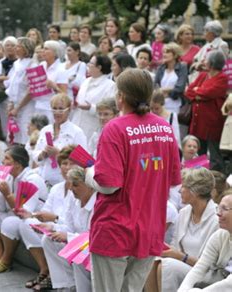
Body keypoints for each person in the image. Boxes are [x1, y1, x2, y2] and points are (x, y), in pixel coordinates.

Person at [86, 68, 182, 291]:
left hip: (115, 228)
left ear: (120, 96)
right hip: (149, 228)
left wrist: (88, 175)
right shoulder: (164, 128)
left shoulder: (114, 128)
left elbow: (109, 185)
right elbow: (174, 178)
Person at [145, 167, 219, 292]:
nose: (179, 191)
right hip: (182, 264)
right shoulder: (184, 213)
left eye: (184, 187)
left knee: (167, 265)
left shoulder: (217, 219)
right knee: (151, 260)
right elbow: (174, 246)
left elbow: (211, 266)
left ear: (195, 192)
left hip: (206, 273)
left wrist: (180, 256)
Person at [0, 145, 48, 274]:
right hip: (13, 216)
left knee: (9, 222)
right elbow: (0, 207)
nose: (3, 162)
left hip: (32, 220)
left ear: (17, 163)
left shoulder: (32, 179)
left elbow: (24, 213)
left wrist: (8, 195)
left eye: (6, 158)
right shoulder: (9, 177)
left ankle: (6, 260)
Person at [17, 145, 76, 291]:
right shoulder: (56, 188)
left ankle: (59, 280)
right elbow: (45, 212)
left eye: (71, 163)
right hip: (55, 228)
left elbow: (74, 224)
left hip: (71, 233)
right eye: (64, 163)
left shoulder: (80, 190)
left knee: (49, 239)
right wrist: (32, 215)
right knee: (26, 223)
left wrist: (55, 219)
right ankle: (49, 273)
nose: (67, 167)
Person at [40, 165, 97, 292]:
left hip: (93, 247)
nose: (71, 188)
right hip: (79, 243)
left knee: (78, 254)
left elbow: (95, 235)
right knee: (47, 240)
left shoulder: (97, 203)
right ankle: (66, 285)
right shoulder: (74, 199)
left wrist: (69, 237)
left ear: (90, 186)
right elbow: (69, 225)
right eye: (71, 184)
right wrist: (52, 227)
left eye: (76, 185)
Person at [178, 193, 232, 291]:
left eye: (224, 209)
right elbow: (199, 268)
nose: (218, 213)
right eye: (218, 208)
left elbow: (229, 284)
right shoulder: (219, 235)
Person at [186, 50, 228, 172]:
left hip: (212, 122)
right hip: (197, 121)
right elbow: (188, 91)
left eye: (206, 59)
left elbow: (209, 93)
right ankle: (198, 176)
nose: (203, 61)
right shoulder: (203, 75)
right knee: (198, 151)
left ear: (211, 63)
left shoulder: (222, 78)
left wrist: (197, 91)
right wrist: (198, 92)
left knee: (214, 154)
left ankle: (216, 181)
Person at [33, 94, 87, 187]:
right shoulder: (46, 130)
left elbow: (84, 161)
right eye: (54, 108)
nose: (57, 112)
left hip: (65, 182)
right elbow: (35, 155)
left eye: (61, 109)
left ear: (69, 109)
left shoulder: (77, 132)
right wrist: (42, 154)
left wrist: (59, 153)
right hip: (44, 179)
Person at [71, 54, 116, 140]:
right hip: (77, 124)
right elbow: (79, 101)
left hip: (93, 128)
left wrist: (90, 108)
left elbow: (111, 111)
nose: (88, 65)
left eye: (91, 63)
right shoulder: (86, 81)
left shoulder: (110, 86)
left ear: (99, 67)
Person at [6, 37, 37, 144]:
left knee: (25, 133)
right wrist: (11, 104)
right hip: (14, 105)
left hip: (26, 106)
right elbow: (12, 85)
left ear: (26, 49)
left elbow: (31, 90)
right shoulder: (16, 64)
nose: (15, 48)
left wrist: (18, 108)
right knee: (14, 135)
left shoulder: (33, 65)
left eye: (19, 46)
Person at [36, 40, 68, 122]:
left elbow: (64, 95)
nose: (43, 51)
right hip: (38, 106)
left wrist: (54, 87)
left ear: (54, 53)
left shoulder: (61, 69)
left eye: (46, 49)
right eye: (43, 48)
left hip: (51, 109)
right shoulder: (41, 65)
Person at [154, 43, 188, 114]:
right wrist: (169, 90)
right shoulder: (161, 68)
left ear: (175, 55)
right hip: (160, 105)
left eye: (167, 52)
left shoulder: (182, 67)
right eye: (163, 52)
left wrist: (163, 90)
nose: (164, 54)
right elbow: (154, 86)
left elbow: (180, 88)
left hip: (175, 106)